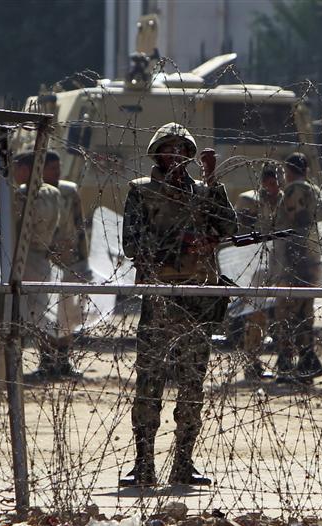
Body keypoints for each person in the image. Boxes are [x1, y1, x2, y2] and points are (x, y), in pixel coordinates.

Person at [120, 123, 238, 486]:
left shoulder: (204, 192)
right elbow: (133, 244)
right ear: (158, 154)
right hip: (160, 297)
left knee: (192, 384)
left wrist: (213, 179)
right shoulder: (141, 193)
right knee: (149, 383)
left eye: (181, 150)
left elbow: (228, 227)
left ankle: (184, 462)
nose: (175, 156)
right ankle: (143, 463)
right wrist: (179, 249)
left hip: (197, 298)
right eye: (168, 149)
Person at [272, 152, 322, 384]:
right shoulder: (315, 191)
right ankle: (305, 365)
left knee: (285, 314)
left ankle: (290, 365)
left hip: (295, 263)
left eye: (285, 172)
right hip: (310, 262)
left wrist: (292, 262)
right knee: (304, 315)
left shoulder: (295, 191)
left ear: (290, 170)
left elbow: (296, 226)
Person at [9, 152, 63, 368]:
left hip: (24, 256)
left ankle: (40, 360)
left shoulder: (24, 195)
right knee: (40, 309)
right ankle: (49, 359)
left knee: (25, 311)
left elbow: (17, 227)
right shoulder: (54, 193)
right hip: (42, 255)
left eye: (17, 168)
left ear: (25, 169)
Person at [40, 150, 91, 377]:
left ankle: (64, 359)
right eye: (52, 168)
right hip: (42, 260)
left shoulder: (69, 191)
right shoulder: (35, 193)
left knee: (67, 313)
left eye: (58, 167)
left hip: (68, 260)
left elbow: (80, 227)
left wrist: (83, 259)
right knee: (43, 313)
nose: (57, 171)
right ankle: (46, 360)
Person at [234, 164, 282, 381]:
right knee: (256, 316)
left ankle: (285, 361)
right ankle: (252, 362)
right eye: (270, 181)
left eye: (277, 181)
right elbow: (240, 233)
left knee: (283, 316)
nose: (274, 186)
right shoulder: (250, 201)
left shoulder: (286, 201)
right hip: (258, 267)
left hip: (281, 265)